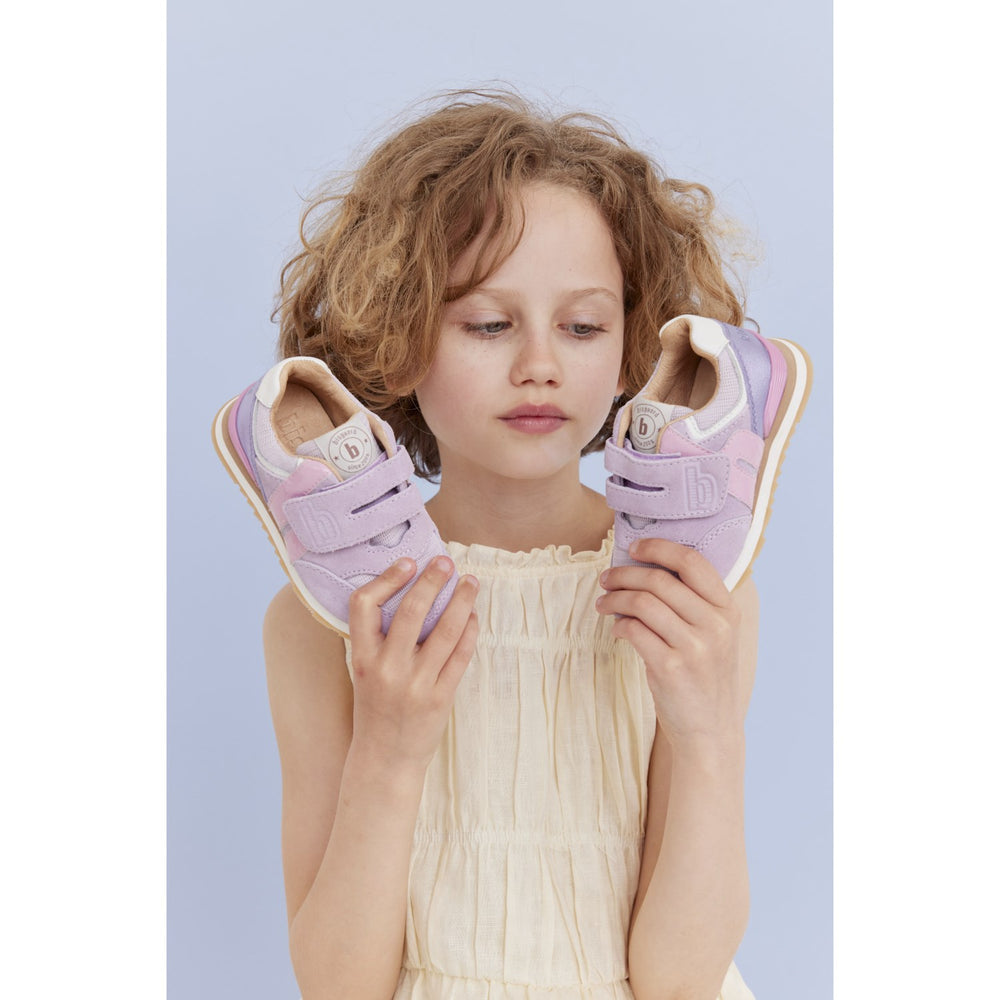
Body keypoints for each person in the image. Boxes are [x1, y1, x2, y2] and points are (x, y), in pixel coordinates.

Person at [254, 89, 779, 1000]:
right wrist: (391, 748)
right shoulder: (328, 617)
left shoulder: (692, 588)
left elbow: (680, 980)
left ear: (630, 348)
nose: (540, 364)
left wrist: (707, 737)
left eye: (583, 326)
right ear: (399, 337)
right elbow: (338, 986)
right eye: (489, 324)